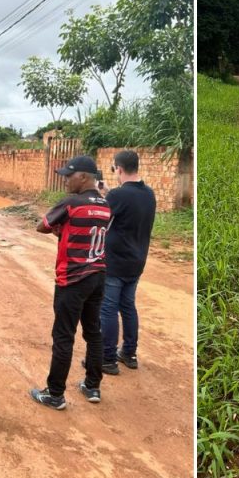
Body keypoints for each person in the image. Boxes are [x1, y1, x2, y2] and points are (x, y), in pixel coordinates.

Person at [31, 155, 111, 410]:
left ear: (84, 177)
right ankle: (92, 385)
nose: (65, 180)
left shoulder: (71, 204)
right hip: (98, 275)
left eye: (69, 176)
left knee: (64, 335)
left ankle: (55, 394)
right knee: (93, 332)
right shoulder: (106, 205)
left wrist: (60, 229)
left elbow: (41, 226)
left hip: (73, 278)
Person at [99, 150, 156, 374]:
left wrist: (101, 195)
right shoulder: (149, 193)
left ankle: (107, 359)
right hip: (137, 261)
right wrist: (108, 193)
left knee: (108, 309)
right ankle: (129, 354)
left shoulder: (118, 196)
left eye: (114, 169)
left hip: (115, 263)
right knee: (128, 307)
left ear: (119, 169)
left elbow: (102, 217)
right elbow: (126, 205)